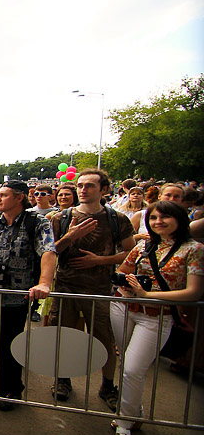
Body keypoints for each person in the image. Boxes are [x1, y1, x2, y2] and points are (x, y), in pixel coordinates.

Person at [110, 201, 204, 435]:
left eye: (165, 217)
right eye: (153, 218)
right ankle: (133, 411)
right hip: (123, 308)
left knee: (132, 368)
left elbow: (193, 292)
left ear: (180, 219)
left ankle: (124, 422)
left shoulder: (194, 249)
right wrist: (126, 286)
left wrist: (148, 295)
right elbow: (122, 271)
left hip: (156, 316)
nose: (158, 222)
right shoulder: (143, 246)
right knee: (126, 364)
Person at [48, 169, 136, 409]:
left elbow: (132, 252)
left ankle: (108, 385)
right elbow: (48, 252)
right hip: (65, 287)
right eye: (80, 185)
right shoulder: (61, 218)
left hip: (99, 290)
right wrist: (70, 236)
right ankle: (63, 379)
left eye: (90, 186)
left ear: (104, 190)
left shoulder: (117, 219)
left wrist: (99, 260)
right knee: (63, 337)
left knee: (104, 340)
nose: (83, 190)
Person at [0, 180, 56, 411]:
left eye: (3, 195)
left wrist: (44, 283)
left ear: (20, 197)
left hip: (16, 296)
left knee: (11, 342)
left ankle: (12, 388)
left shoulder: (37, 222)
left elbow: (48, 251)